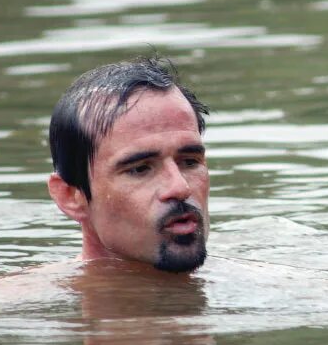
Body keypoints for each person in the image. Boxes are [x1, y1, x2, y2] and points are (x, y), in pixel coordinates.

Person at [47, 57, 211, 273]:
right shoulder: (13, 302)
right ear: (70, 197)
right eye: (140, 169)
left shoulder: (261, 286)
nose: (180, 188)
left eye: (190, 162)